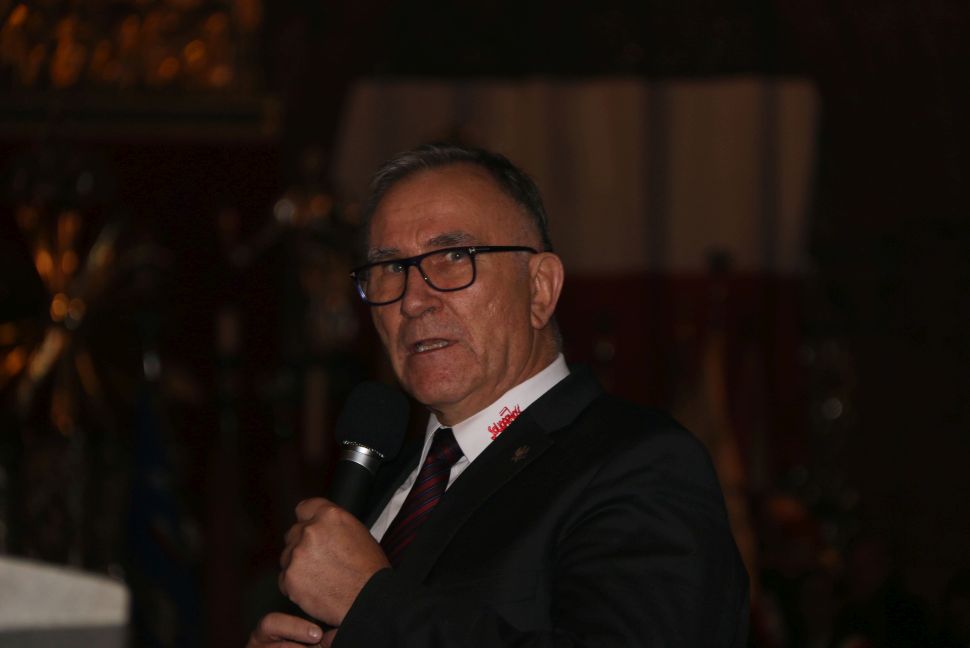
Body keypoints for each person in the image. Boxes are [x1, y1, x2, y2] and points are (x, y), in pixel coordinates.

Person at [248, 143, 749, 647]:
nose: (414, 300)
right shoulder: (383, 479)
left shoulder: (641, 462)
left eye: (454, 256)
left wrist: (370, 602)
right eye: (391, 268)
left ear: (540, 288)